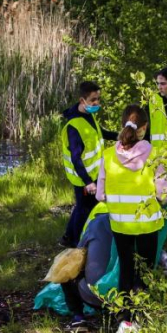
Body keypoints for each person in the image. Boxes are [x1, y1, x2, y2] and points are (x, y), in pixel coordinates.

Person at [97, 104, 167, 332]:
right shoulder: (155, 154)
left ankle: (125, 320)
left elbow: (100, 195)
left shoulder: (108, 155)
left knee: (126, 271)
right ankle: (141, 318)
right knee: (145, 271)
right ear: (144, 128)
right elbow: (164, 195)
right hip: (148, 223)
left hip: (120, 224)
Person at [60, 81, 118, 247]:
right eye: (93, 100)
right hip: (83, 177)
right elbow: (76, 159)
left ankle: (68, 237)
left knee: (82, 207)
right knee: (84, 209)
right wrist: (88, 182)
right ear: (82, 100)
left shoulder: (89, 115)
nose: (96, 103)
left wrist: (119, 136)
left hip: (93, 174)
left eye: (98, 99)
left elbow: (100, 132)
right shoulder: (74, 126)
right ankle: (76, 243)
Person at [61, 202, 113, 329]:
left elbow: (78, 254)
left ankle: (78, 318)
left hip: (97, 297)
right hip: (128, 297)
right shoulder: (136, 229)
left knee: (65, 271)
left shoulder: (95, 224)